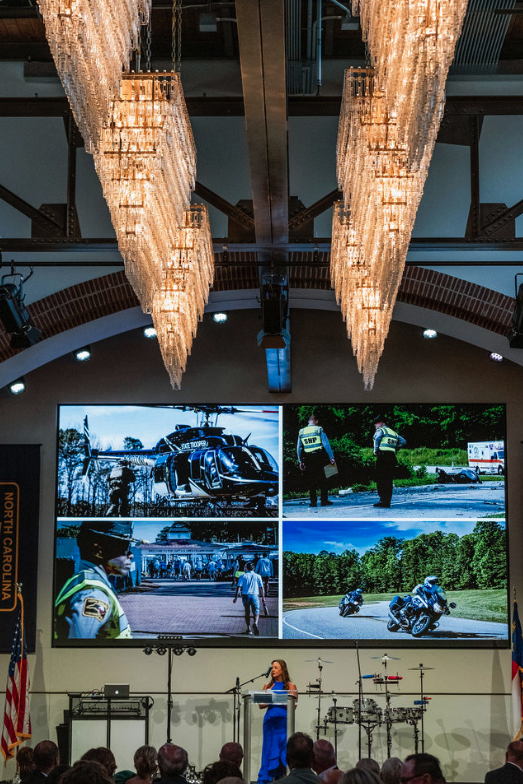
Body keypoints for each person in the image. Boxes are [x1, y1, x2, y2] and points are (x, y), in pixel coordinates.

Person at [54, 520, 133, 640]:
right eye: (125, 548)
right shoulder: (94, 595)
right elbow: (76, 649)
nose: (130, 555)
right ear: (98, 551)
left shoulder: (83, 580)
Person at [258, 660, 298, 784]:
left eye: (276, 667)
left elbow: (294, 705)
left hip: (283, 724)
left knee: (283, 751)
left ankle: (284, 779)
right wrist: (278, 698)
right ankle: (268, 780)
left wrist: (273, 697)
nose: (273, 670)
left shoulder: (291, 686)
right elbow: (261, 704)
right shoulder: (267, 686)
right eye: (272, 667)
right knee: (269, 750)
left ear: (283, 670)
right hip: (270, 724)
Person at [297, 413, 336, 508]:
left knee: (311, 480)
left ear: (308, 422)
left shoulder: (301, 431)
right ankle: (324, 501)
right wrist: (331, 457)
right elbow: (326, 444)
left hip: (308, 458)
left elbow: (299, 448)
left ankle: (313, 502)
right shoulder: (319, 429)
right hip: (320, 457)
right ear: (316, 421)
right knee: (324, 479)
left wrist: (300, 461)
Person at [372, 415, 406, 508]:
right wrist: (395, 449)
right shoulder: (393, 433)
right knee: (389, 480)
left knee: (380, 478)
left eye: (377, 423)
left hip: (382, 456)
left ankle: (382, 500)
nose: (375, 425)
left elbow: (377, 438)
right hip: (391, 457)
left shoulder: (381, 430)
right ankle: (387, 501)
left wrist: (375, 450)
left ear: (382, 423)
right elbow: (403, 441)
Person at [234, 562, 265, 635]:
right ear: (253, 568)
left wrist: (236, 597)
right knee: (256, 611)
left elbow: (239, 586)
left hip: (245, 595)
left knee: (247, 612)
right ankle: (255, 623)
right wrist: (263, 597)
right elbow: (262, 588)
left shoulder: (243, 576)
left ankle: (248, 629)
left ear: (246, 568)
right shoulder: (258, 576)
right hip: (255, 595)